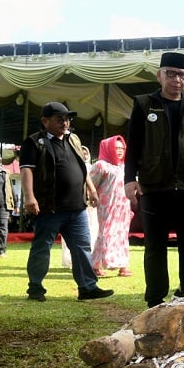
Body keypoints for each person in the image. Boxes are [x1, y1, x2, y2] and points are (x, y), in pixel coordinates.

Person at [124, 52, 184, 309]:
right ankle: (155, 299)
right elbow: (134, 145)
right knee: (155, 246)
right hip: (155, 185)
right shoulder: (143, 104)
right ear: (160, 75)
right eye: (171, 74)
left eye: (183, 76)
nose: (177, 80)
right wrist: (130, 179)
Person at [21, 102, 113, 302]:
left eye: (68, 119)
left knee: (82, 248)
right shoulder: (34, 142)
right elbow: (27, 170)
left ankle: (87, 287)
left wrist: (91, 189)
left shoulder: (73, 139)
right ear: (45, 121)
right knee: (42, 247)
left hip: (77, 207)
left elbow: (82, 167)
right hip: (49, 207)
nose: (65, 123)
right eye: (60, 119)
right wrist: (29, 197)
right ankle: (35, 288)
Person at [89, 136, 132, 277]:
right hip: (107, 206)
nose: (119, 151)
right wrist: (92, 197)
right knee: (105, 234)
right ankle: (97, 265)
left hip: (124, 206)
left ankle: (123, 266)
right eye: (116, 148)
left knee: (123, 235)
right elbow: (90, 184)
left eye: (122, 148)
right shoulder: (101, 165)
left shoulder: (125, 166)